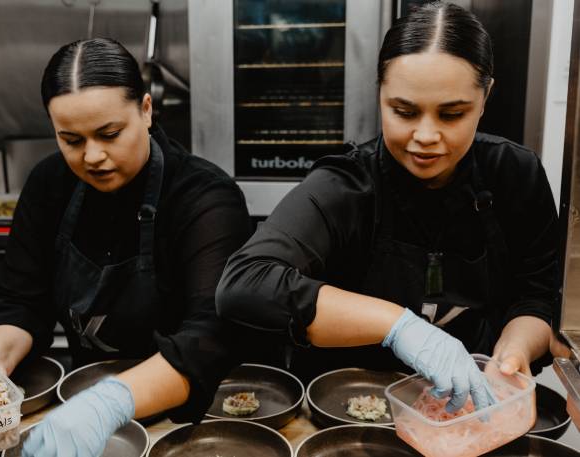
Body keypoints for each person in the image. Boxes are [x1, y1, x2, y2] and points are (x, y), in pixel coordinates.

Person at [217, 1, 559, 412]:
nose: (426, 135)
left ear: (485, 97)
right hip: (346, 417)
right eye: (404, 111)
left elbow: (537, 297)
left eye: (452, 114)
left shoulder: (515, 175)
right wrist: (399, 327)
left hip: (470, 414)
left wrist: (513, 353)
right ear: (379, 93)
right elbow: (244, 283)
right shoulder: (345, 185)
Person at [0, 37, 251, 457]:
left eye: (109, 134)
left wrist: (110, 403)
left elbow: (210, 337)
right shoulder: (48, 184)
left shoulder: (205, 197)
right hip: (83, 418)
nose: (92, 157)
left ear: (146, 110)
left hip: (189, 424)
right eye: (71, 140)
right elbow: (20, 300)